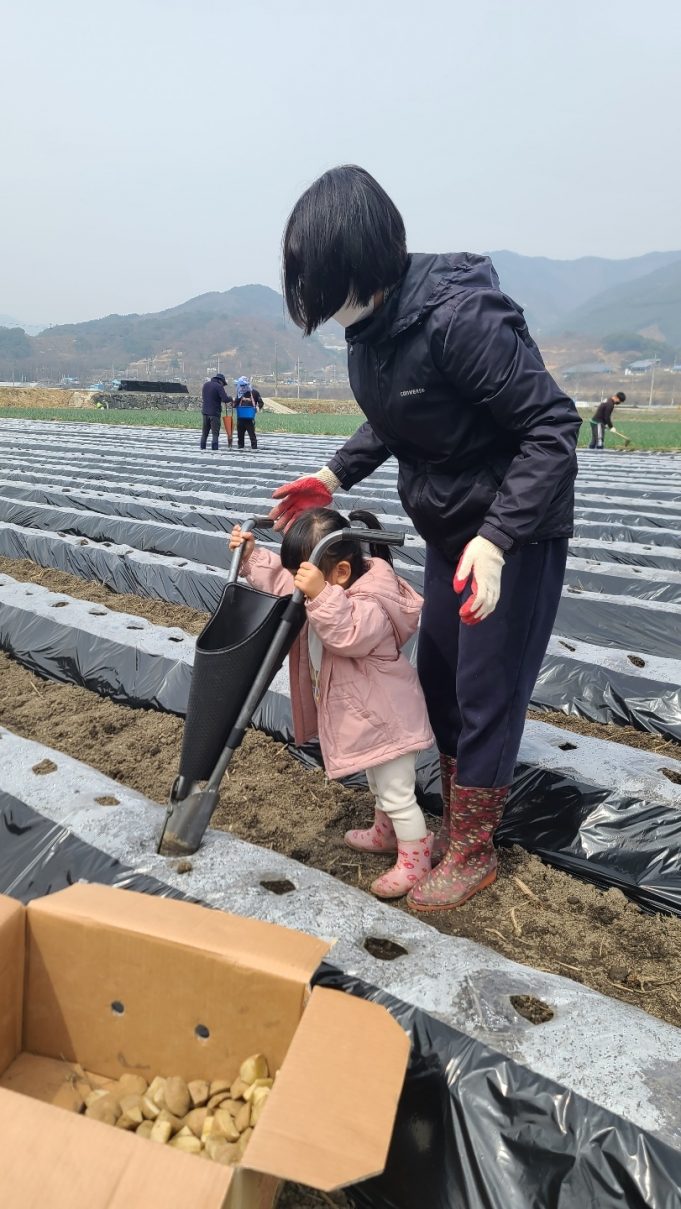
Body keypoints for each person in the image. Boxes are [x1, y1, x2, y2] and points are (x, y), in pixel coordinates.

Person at [271, 164, 581, 914]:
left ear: (360, 258)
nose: (321, 305)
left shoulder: (459, 316)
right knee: (438, 677)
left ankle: (472, 849)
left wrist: (498, 539)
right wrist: (331, 475)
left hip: (512, 534)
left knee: (486, 688)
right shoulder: (370, 332)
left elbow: (551, 428)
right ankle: (442, 824)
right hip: (450, 531)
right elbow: (396, 413)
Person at [229, 507, 435, 899]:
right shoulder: (330, 590)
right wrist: (253, 557)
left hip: (388, 719)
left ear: (340, 573)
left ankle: (415, 861)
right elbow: (286, 584)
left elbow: (348, 635)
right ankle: (385, 833)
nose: (299, 584)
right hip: (367, 716)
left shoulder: (371, 603)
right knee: (378, 782)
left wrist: (320, 595)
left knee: (398, 795)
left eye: (306, 576)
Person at [200, 373, 233, 450]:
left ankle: (202, 448)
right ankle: (214, 450)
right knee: (215, 434)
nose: (223, 385)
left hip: (205, 412)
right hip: (214, 413)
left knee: (204, 433)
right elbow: (225, 399)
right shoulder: (219, 386)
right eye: (223, 383)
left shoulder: (205, 385)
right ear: (221, 381)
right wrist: (230, 398)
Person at [234, 376, 264, 448]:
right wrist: (234, 403)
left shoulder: (254, 393)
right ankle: (240, 449)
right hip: (240, 418)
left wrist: (257, 408)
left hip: (249, 419)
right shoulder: (239, 393)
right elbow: (235, 404)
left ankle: (254, 449)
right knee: (240, 437)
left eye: (244, 385)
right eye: (241, 386)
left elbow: (261, 403)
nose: (242, 387)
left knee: (252, 436)